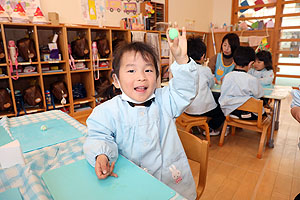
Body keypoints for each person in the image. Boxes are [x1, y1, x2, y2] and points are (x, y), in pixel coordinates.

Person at [83, 28, 198, 200]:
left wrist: (181, 60)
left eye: (148, 70)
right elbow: (99, 136)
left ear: (157, 77)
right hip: (130, 184)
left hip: (168, 181)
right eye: (131, 71)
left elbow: (185, 90)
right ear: (116, 80)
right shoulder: (107, 111)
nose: (141, 77)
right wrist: (101, 154)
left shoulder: (165, 100)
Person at [184, 36, 225, 136]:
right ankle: (211, 128)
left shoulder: (182, 69)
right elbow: (211, 84)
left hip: (186, 109)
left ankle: (195, 126)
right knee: (222, 110)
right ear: (203, 56)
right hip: (202, 109)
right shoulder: (205, 70)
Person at [219, 46, 264, 120]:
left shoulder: (227, 77)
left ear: (233, 61)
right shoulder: (252, 79)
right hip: (249, 113)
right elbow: (260, 94)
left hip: (229, 112)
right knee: (261, 106)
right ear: (250, 64)